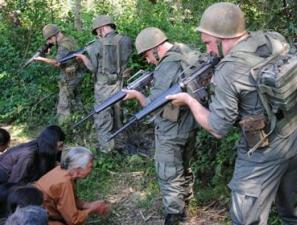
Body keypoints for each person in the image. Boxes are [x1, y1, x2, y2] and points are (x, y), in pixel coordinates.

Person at [166, 2, 297, 224]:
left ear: (222, 38)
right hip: (295, 136)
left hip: (264, 150)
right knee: (294, 212)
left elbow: (218, 128)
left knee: (245, 219)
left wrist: (190, 101)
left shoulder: (228, 70)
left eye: (208, 43)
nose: (208, 50)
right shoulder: (270, 38)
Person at [122, 27, 196, 225]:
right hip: (190, 123)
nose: (147, 60)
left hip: (172, 127)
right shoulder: (184, 51)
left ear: (156, 48)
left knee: (167, 171)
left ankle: (175, 215)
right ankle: (185, 200)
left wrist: (137, 95)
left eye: (146, 55)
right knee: (182, 165)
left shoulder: (166, 66)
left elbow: (152, 106)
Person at [75, 15, 132, 153]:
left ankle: (107, 150)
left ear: (101, 29)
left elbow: (93, 68)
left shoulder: (96, 45)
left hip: (103, 86)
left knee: (103, 117)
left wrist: (83, 58)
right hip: (120, 84)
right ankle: (120, 145)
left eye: (97, 31)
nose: (97, 34)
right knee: (118, 115)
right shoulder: (126, 40)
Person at [34, 146, 111, 225]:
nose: (91, 169)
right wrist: (92, 209)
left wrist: (88, 205)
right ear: (78, 169)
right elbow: (73, 221)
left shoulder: (60, 170)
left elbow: (70, 200)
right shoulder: (64, 183)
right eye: (90, 166)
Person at [34, 24, 83, 124]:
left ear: (54, 36)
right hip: (76, 75)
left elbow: (57, 62)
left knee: (63, 106)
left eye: (49, 39)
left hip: (69, 78)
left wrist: (40, 59)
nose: (49, 42)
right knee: (76, 102)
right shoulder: (68, 39)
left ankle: (65, 129)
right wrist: (49, 49)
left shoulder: (63, 46)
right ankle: (81, 124)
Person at [0, 125, 65, 184]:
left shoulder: (41, 147)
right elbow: (14, 183)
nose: (62, 149)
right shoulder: (29, 155)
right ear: (50, 143)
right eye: (60, 146)